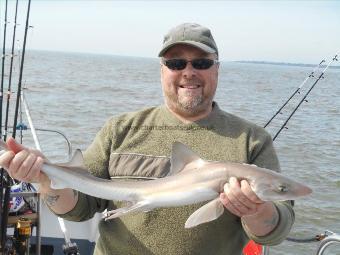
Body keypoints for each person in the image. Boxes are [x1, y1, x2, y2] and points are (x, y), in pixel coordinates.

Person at [0, 23, 294, 255]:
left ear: (217, 68)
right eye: (176, 62)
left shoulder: (252, 140)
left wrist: (257, 210)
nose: (189, 72)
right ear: (162, 70)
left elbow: (277, 228)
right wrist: (46, 180)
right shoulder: (122, 128)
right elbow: (79, 208)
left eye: (201, 63)